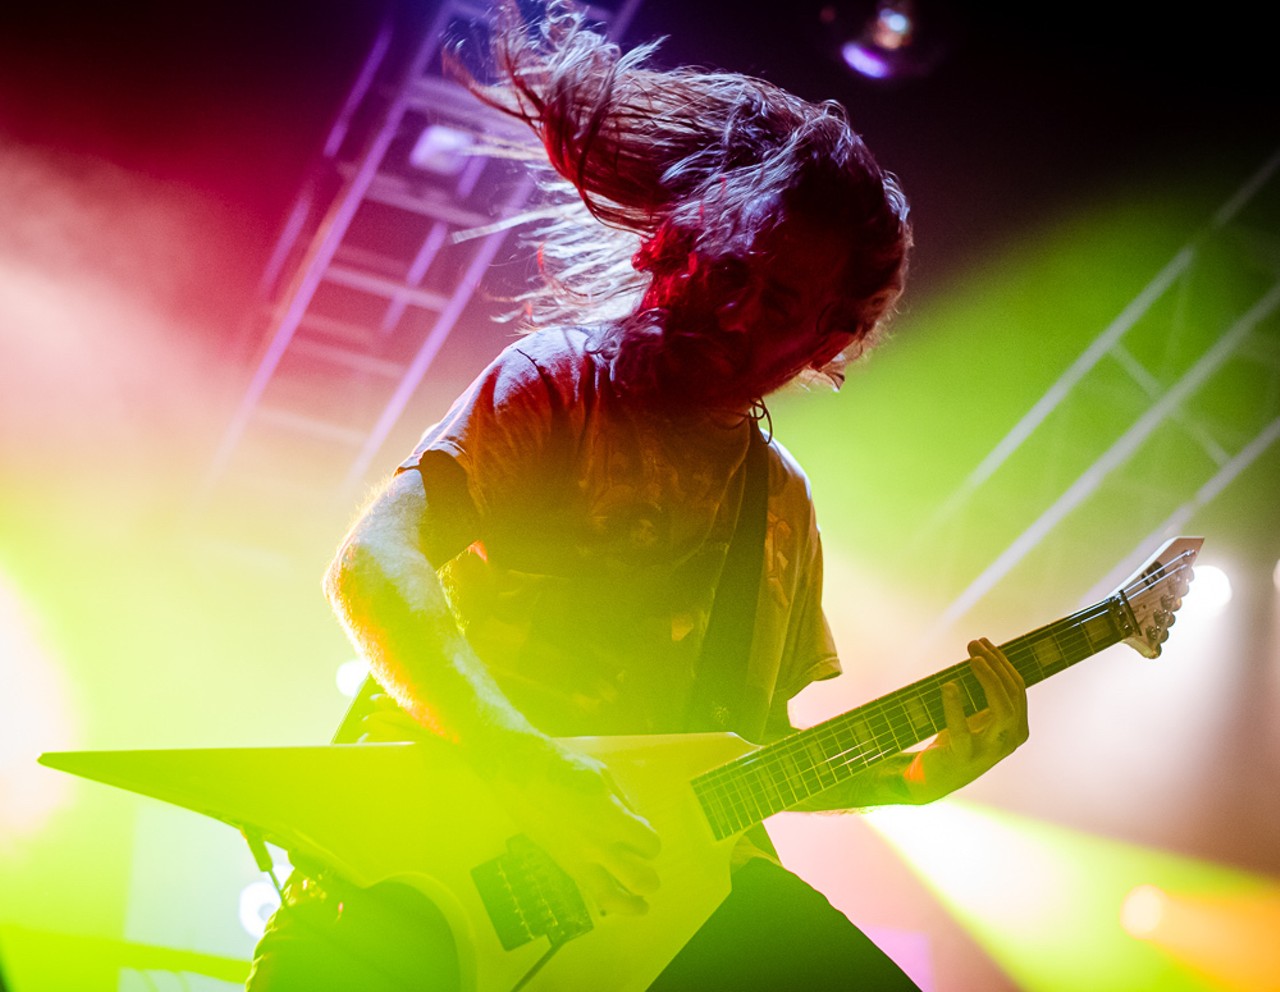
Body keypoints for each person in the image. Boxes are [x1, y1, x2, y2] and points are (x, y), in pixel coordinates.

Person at [246, 2, 1029, 989]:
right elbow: (369, 564)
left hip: (625, 908)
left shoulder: (776, 507)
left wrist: (907, 779)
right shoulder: (558, 381)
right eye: (733, 266)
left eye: (781, 304)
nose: (738, 310)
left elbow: (747, 749)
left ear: (826, 342)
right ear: (684, 241)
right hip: (413, 877)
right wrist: (522, 758)